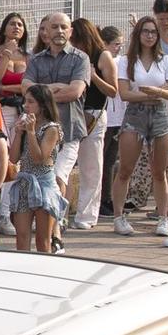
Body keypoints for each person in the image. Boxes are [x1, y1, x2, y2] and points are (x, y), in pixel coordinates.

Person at [23, 12, 91, 234]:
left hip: (69, 129)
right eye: (55, 27)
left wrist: (42, 92)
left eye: (64, 27)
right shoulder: (36, 59)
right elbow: (26, 90)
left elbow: (75, 91)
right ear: (46, 31)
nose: (59, 31)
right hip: (40, 130)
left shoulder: (80, 58)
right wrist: (56, 87)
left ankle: (55, 230)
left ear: (70, 31)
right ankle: (50, 224)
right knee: (43, 175)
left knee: (58, 175)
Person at [113, 17, 168, 237]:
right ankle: (118, 216)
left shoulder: (166, 60)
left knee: (160, 171)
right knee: (125, 169)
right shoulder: (127, 61)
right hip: (135, 115)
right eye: (145, 32)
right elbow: (124, 93)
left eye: (153, 32)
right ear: (138, 35)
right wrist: (154, 91)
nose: (150, 36)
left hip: (159, 114)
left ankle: (163, 217)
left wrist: (157, 92)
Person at [70, 16, 119, 231]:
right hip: (72, 111)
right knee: (66, 161)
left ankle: (87, 215)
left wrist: (94, 76)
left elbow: (113, 90)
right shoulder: (72, 55)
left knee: (92, 166)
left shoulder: (102, 56)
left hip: (94, 113)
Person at [8, 85, 66, 254]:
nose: (25, 105)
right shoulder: (26, 126)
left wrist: (31, 133)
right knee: (22, 238)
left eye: (31, 102)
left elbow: (39, 158)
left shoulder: (52, 129)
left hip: (44, 185)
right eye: (25, 101)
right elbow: (13, 159)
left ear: (43, 105)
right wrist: (19, 133)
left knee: (43, 240)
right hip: (25, 183)